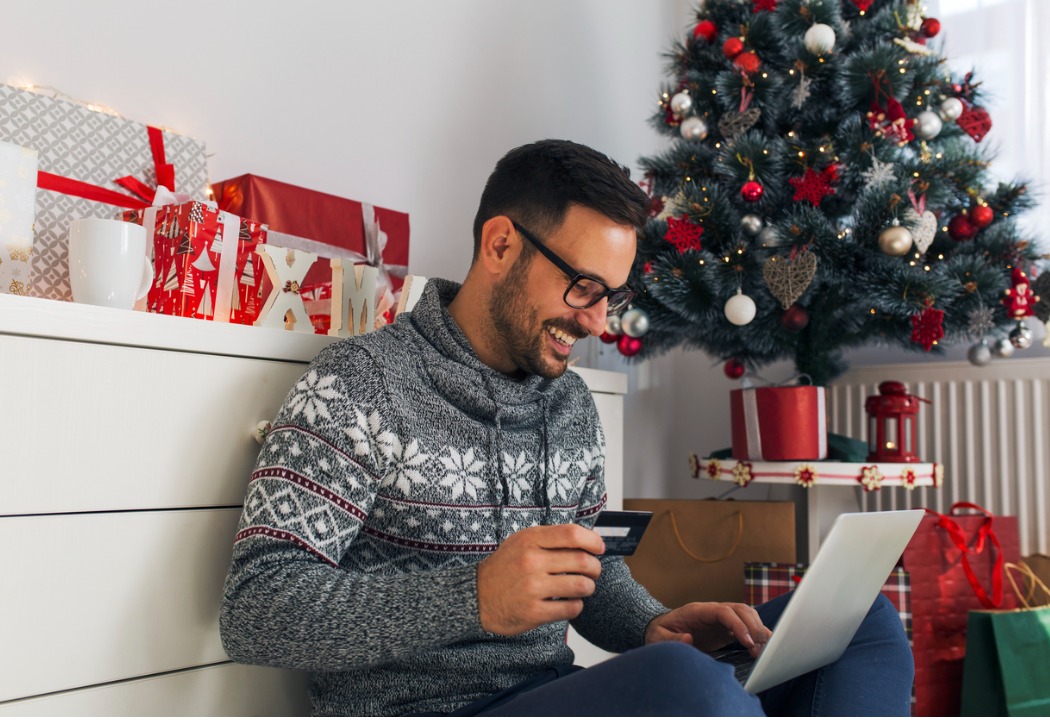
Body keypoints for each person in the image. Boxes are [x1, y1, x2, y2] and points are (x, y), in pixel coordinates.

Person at [220, 139, 913, 716]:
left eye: (613, 297)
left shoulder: (569, 403)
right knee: (691, 691)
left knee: (863, 625)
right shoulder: (360, 383)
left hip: (547, 695)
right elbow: (256, 609)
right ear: (499, 246)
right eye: (584, 289)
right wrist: (473, 598)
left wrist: (650, 624)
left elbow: (590, 576)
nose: (598, 323)